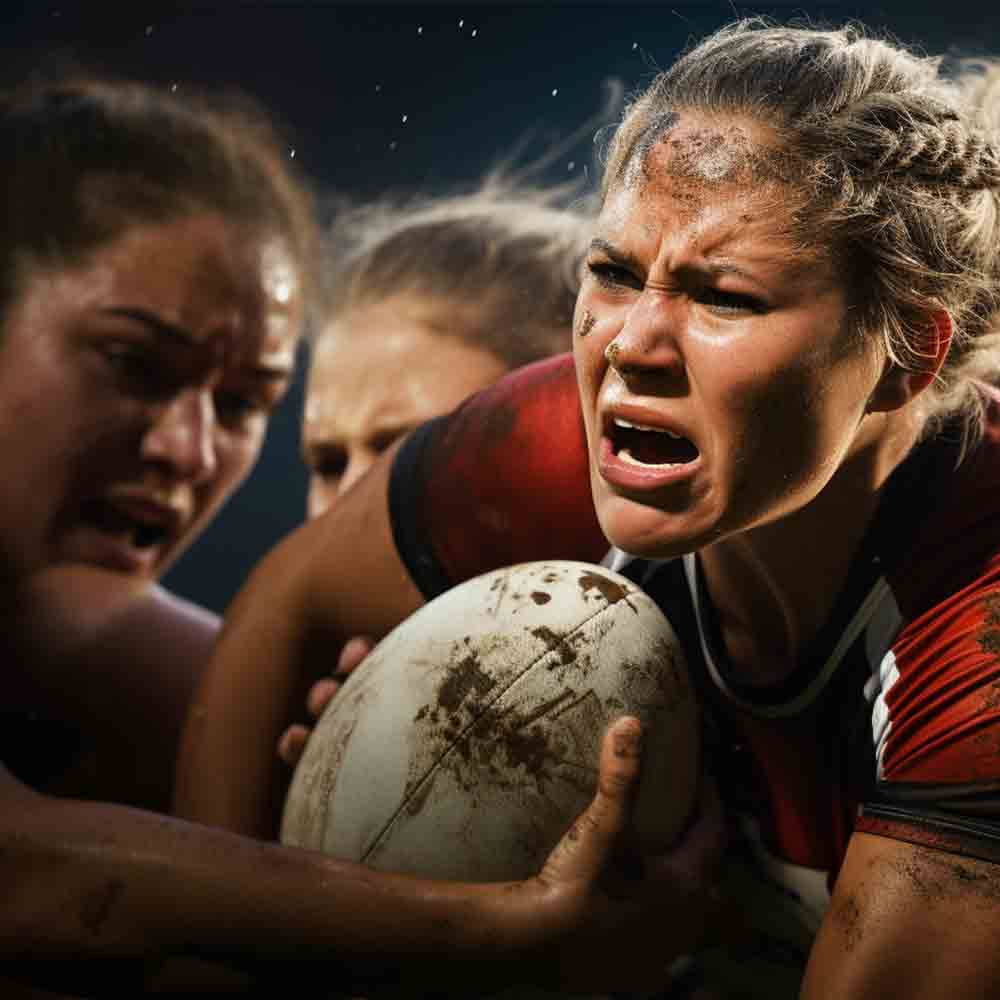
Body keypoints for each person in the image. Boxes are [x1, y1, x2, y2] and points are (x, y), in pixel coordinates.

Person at [176, 18, 1000, 998]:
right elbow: (283, 605)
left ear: (909, 355)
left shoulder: (978, 639)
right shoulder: (551, 448)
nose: (631, 345)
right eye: (612, 272)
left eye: (722, 296)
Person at [0, 74, 681, 996]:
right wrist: (500, 922)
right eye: (131, 361)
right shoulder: (142, 653)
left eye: (243, 404)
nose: (189, 450)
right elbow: (34, 871)